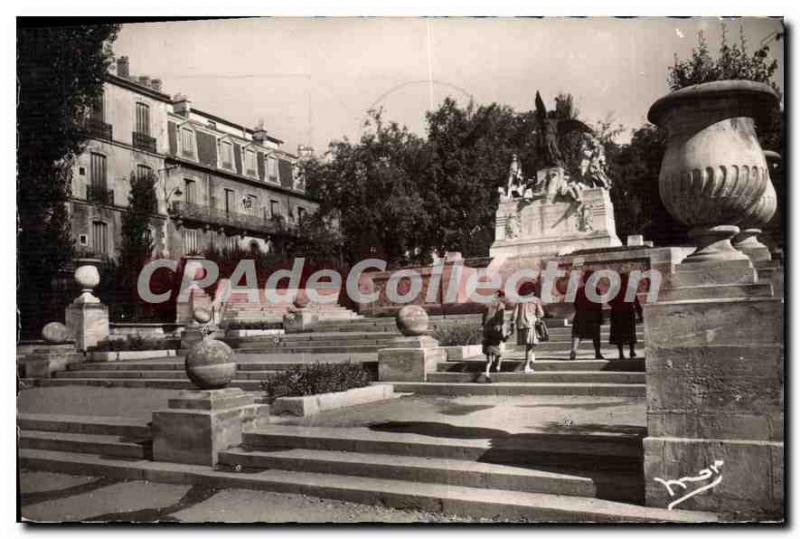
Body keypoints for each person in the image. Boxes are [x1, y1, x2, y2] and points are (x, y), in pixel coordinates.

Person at [569, 270, 605, 360]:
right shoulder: (596, 290)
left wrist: (579, 311)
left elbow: (575, 303)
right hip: (593, 315)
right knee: (596, 335)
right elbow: (598, 304)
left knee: (577, 334)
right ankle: (597, 353)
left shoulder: (579, 290)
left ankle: (574, 350)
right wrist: (600, 316)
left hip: (581, 315)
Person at [511, 281, 545, 373]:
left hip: (521, 325)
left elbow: (514, 314)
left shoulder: (519, 300)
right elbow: (541, 313)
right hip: (530, 324)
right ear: (532, 291)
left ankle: (532, 356)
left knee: (529, 344)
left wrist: (512, 324)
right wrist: (537, 316)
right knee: (529, 346)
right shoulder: (535, 300)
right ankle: (527, 366)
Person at [609, 273, 644, 359]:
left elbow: (609, 301)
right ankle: (632, 351)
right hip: (628, 313)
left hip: (617, 314)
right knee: (630, 333)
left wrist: (616, 305)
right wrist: (640, 315)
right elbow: (636, 303)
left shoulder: (615, 289)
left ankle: (621, 353)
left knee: (619, 334)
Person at [481, 289, 508, 380]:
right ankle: (498, 366)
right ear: (501, 297)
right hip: (496, 330)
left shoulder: (487, 305)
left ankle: (488, 370)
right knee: (499, 349)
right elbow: (500, 318)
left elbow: (483, 317)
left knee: (489, 354)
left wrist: (484, 326)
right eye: (503, 297)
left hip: (487, 331)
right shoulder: (501, 305)